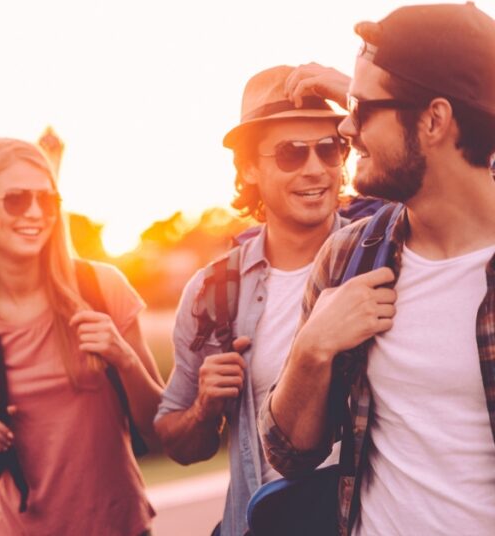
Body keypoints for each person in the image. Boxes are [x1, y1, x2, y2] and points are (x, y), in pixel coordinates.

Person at [261, 4, 495, 535]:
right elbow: (289, 454)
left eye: (361, 106)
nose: (346, 127)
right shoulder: (348, 257)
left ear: (434, 119)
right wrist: (310, 349)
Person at [153, 64, 351, 536]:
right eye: (290, 153)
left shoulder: (384, 252)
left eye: (330, 148)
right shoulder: (212, 291)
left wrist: (350, 91)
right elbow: (175, 439)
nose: (315, 168)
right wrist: (204, 408)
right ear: (248, 168)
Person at [0, 137, 164, 535]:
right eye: (16, 199)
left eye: (47, 200)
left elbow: (160, 427)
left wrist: (124, 359)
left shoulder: (102, 288)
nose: (35, 212)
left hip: (121, 525)